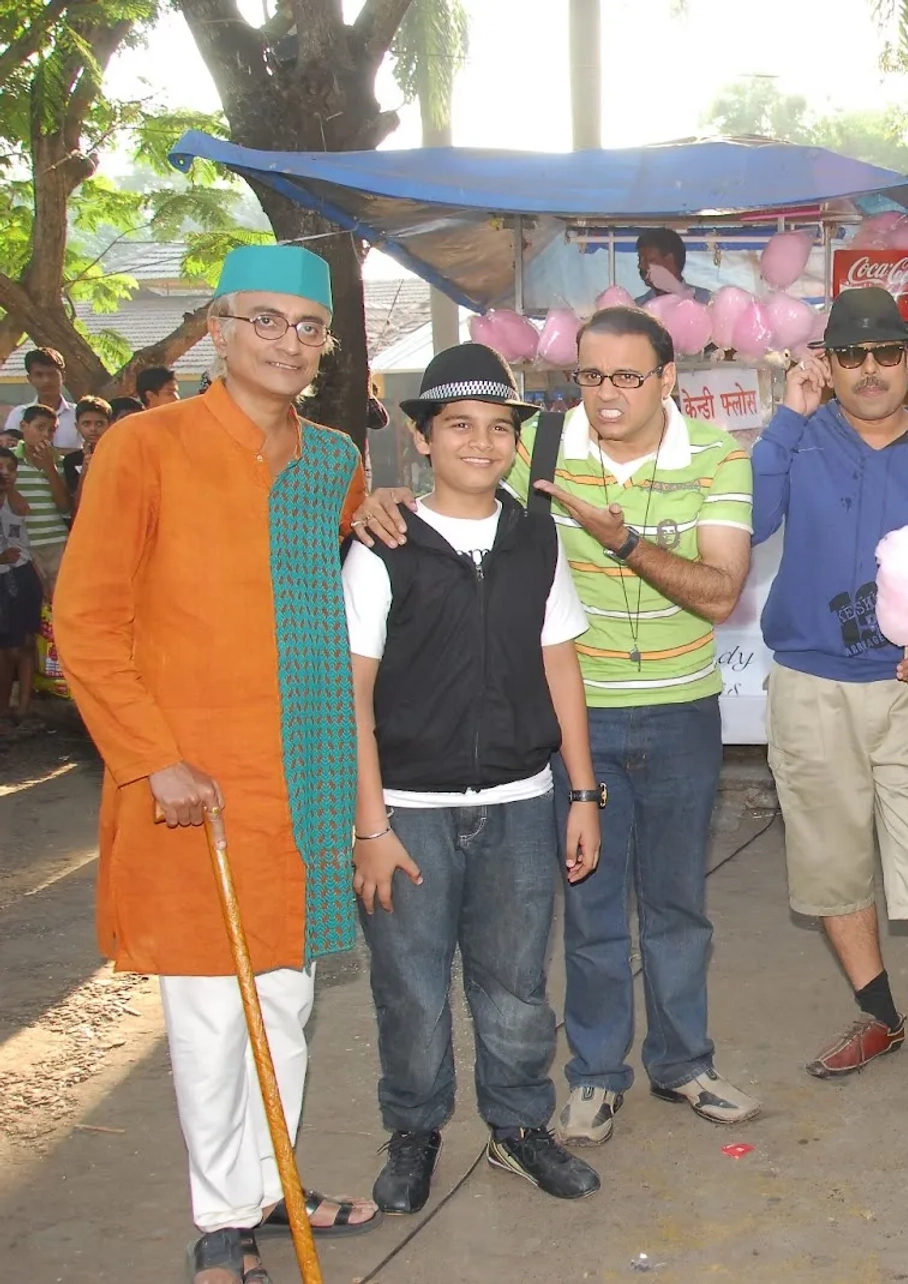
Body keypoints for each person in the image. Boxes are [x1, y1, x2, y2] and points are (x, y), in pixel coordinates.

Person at [55, 243, 381, 1284]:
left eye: (308, 327)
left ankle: (269, 1183)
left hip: (306, 775)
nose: (288, 343)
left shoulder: (334, 459)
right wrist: (152, 759)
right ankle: (219, 1218)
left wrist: (370, 516)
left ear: (326, 346)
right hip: (190, 778)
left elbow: (324, 564)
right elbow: (87, 619)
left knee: (284, 994)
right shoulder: (144, 448)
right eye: (266, 321)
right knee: (206, 1008)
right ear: (219, 329)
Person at [357, 305, 759, 1139]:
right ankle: (596, 1075)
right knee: (591, 909)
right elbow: (453, 493)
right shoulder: (534, 450)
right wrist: (382, 498)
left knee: (680, 905)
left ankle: (686, 1063)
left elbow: (721, 594)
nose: (607, 394)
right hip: (573, 723)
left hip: (683, 710)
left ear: (667, 379)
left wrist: (625, 544)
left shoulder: (719, 456)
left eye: (627, 376)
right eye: (591, 375)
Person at [344, 343, 604, 1212]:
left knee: (517, 985)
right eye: (459, 426)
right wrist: (370, 826)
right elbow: (354, 695)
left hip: (521, 805)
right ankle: (413, 1130)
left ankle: (520, 1127)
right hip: (409, 816)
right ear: (422, 439)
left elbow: (560, 667)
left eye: (499, 428)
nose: (482, 444)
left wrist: (582, 793)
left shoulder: (536, 539)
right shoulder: (384, 546)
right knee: (411, 988)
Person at [749, 288, 908, 1125]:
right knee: (830, 867)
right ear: (827, 360)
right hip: (810, 686)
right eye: (850, 355)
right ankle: (882, 1017)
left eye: (885, 354)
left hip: (907, 693)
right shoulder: (799, 441)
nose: (868, 371)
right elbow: (744, 526)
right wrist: (789, 416)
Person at [0, 451, 42, 730]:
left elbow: (20, 509)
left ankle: (24, 705)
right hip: (4, 576)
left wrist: (8, 486)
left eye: (10, 468)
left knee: (25, 643)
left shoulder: (13, 499)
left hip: (22, 576)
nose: (4, 472)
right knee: (7, 648)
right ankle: (4, 708)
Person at [11, 403, 70, 594]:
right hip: (25, 544)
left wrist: (49, 467)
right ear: (23, 426)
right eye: (40, 427)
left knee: (59, 596)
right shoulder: (8, 462)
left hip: (56, 541)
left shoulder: (58, 463)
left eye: (51, 430)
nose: (46, 434)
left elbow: (64, 506)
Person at [4, 347, 79, 450]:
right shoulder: (19, 414)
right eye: (39, 375)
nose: (46, 380)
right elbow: (9, 452)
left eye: (52, 374)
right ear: (30, 379)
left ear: (63, 377)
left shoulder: (78, 415)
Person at [62, 394, 112, 512]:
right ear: (77, 426)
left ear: (110, 425)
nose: (93, 429)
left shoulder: (120, 454)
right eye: (86, 424)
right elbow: (77, 503)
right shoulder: (72, 460)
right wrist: (85, 471)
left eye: (99, 423)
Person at [637, 228, 713, 305]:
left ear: (670, 261)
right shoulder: (637, 309)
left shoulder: (706, 302)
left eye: (650, 260)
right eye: (639, 259)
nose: (641, 265)